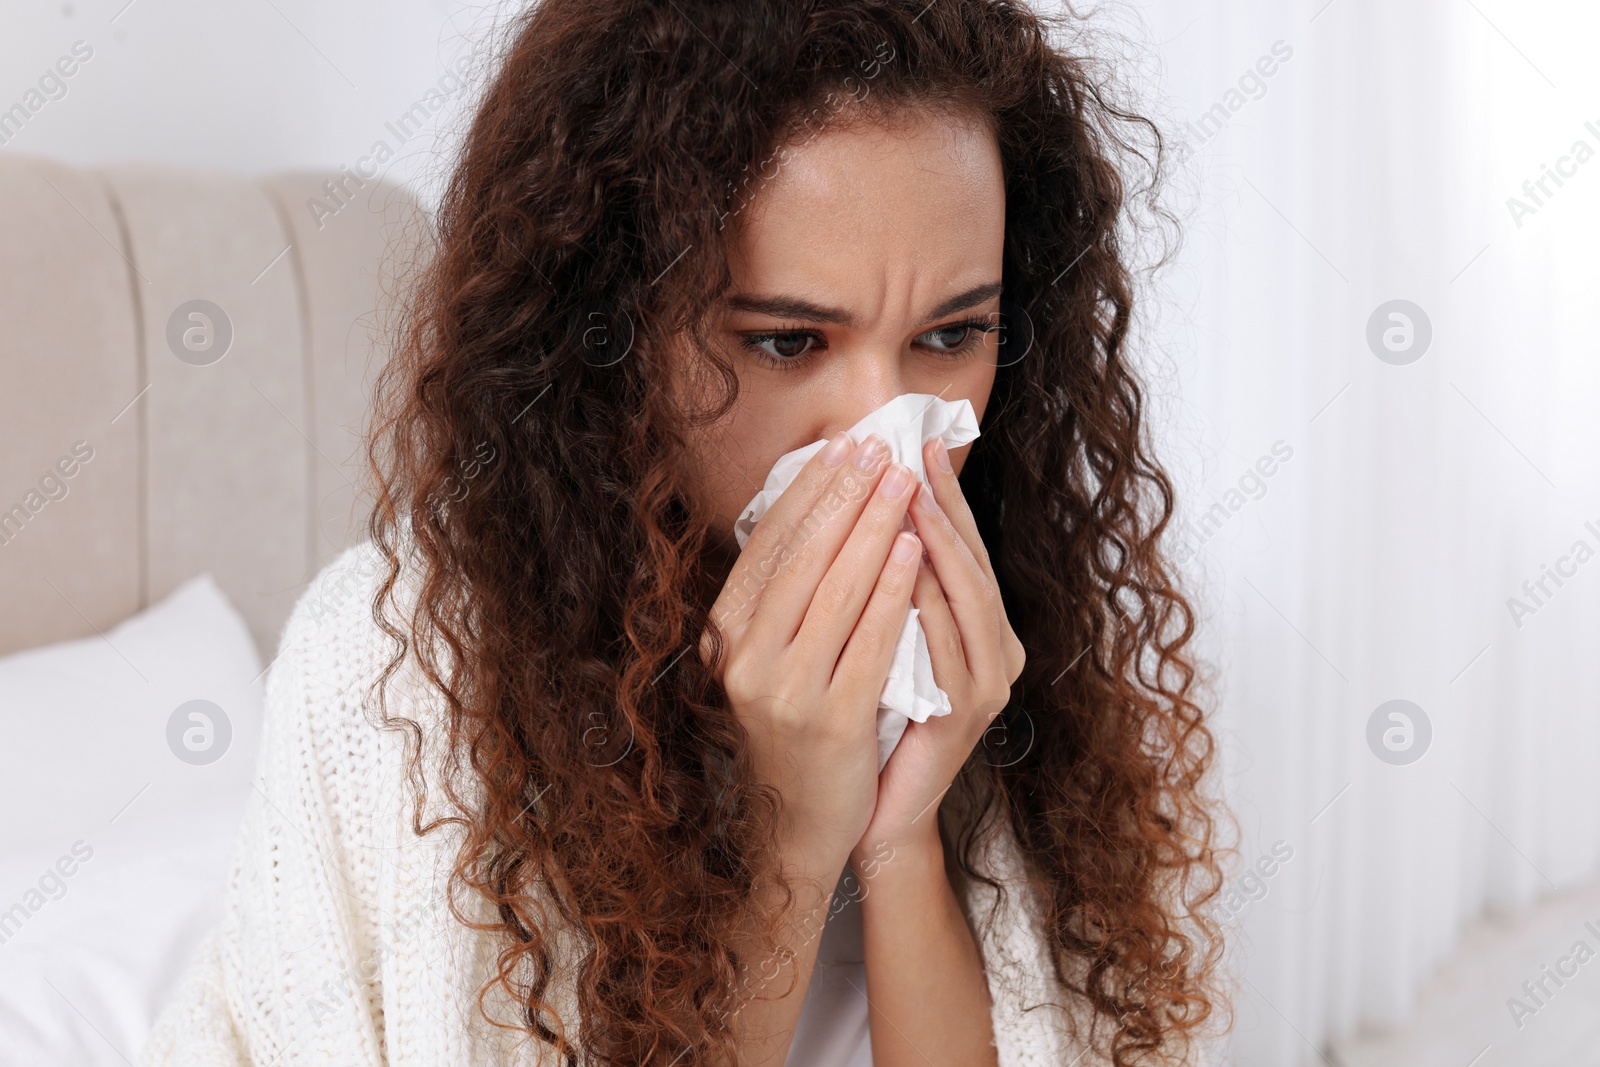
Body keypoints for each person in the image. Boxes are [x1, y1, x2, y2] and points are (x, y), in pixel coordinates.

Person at [140, 1, 1225, 1064]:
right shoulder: (391, 670)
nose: (885, 431)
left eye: (951, 333)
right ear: (615, 336)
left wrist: (900, 836)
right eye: (791, 341)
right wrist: (796, 835)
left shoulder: (1029, 643)